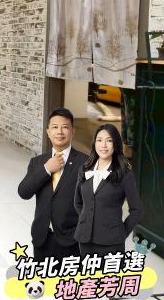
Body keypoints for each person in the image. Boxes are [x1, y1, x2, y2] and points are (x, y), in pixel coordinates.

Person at [18, 108, 87, 260]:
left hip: (73, 242)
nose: (59, 132)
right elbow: (24, 192)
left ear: (73, 131)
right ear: (48, 132)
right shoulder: (38, 162)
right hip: (42, 239)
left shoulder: (85, 163)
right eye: (55, 127)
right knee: (42, 276)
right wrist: (46, 169)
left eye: (65, 127)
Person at [74, 124, 142, 257]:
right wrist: (87, 222)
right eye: (99, 140)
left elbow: (137, 210)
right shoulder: (85, 169)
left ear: (115, 144)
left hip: (111, 243)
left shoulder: (124, 174)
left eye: (109, 140)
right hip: (85, 240)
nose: (103, 145)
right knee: (87, 271)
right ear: (94, 143)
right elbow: (78, 202)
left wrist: (121, 232)